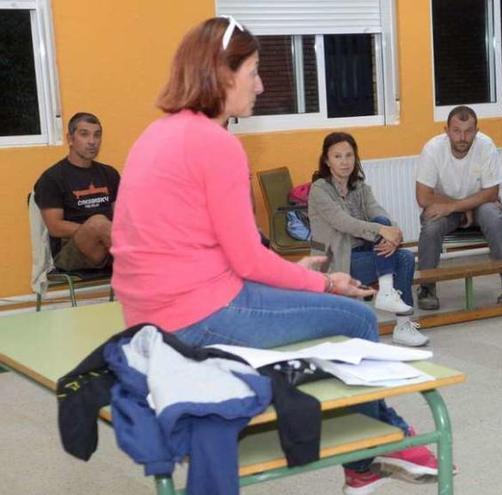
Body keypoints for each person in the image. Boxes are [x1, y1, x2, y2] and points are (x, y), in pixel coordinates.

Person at [109, 17, 439, 494]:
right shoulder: (216, 143)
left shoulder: (155, 135)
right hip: (195, 314)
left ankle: (368, 451)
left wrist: (287, 274)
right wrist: (325, 281)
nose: (261, 85)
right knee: (355, 319)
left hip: (147, 316)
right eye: (254, 72)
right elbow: (245, 259)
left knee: (309, 301)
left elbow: (211, 250)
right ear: (223, 74)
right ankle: (369, 456)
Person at [308, 132, 430, 347]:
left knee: (405, 257)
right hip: (335, 260)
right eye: (337, 156)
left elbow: (379, 213)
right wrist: (383, 230)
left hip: (362, 253)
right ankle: (386, 290)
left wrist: (394, 233)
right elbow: (343, 222)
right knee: (385, 233)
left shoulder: (360, 187)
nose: (345, 162)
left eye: (349, 155)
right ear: (327, 161)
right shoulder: (319, 190)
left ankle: (402, 325)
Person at [415, 105, 502, 309]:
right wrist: (462, 209)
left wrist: (457, 206)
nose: (462, 137)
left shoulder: (486, 145)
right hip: (455, 210)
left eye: (468, 131)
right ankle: (426, 286)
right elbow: (423, 197)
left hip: (479, 208)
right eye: (456, 131)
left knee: (492, 214)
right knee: (431, 224)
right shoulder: (432, 149)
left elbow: (491, 193)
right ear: (446, 131)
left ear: (477, 131)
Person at [34, 112, 119, 271]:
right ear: (70, 139)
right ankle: (147, 267)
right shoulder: (52, 178)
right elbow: (55, 226)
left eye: (97, 135)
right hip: (72, 250)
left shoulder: (110, 174)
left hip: (109, 245)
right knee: (98, 222)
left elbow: (121, 215)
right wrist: (94, 231)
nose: (92, 142)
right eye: (84, 134)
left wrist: (104, 233)